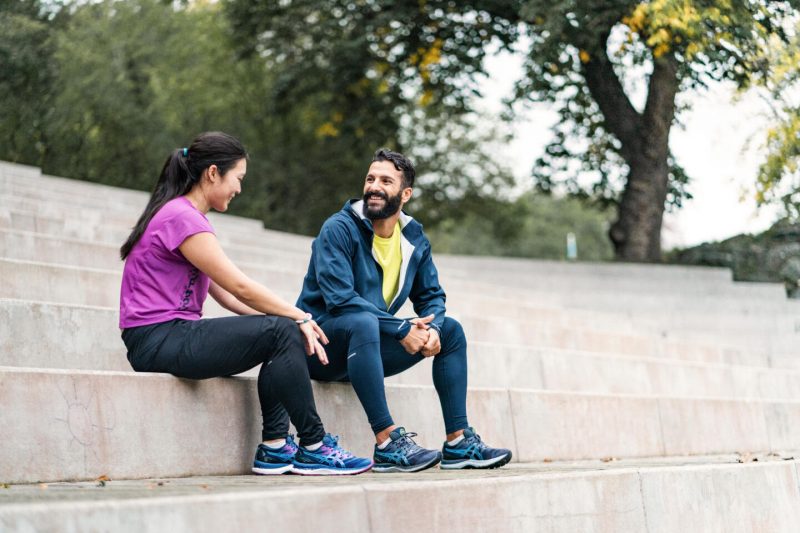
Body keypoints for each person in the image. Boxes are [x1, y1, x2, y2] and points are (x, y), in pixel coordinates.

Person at [119, 131, 372, 476]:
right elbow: (239, 286)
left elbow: (226, 296)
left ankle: (274, 447)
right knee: (282, 328)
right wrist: (298, 315)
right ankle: (313, 445)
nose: (239, 188)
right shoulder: (181, 217)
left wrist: (292, 324)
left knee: (282, 332)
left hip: (168, 336)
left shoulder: (185, 216)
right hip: (157, 338)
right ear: (212, 173)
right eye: (237, 178)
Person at [296, 148, 512, 472]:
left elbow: (432, 295)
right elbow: (340, 299)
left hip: (365, 348)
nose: (374, 186)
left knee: (451, 330)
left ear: (405, 193)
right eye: (370, 179)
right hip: (321, 347)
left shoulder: (412, 236)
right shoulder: (339, 229)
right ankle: (386, 442)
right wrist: (400, 329)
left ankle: (458, 441)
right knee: (362, 321)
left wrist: (434, 329)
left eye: (386, 180)